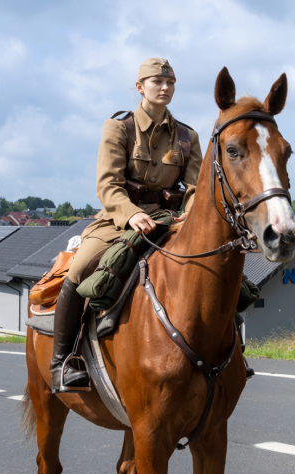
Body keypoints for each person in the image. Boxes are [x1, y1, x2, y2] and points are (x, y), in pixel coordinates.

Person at [50, 58, 203, 392]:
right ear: (140, 87)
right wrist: (131, 213)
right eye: (156, 82)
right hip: (121, 220)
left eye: (170, 83)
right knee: (80, 269)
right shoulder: (119, 127)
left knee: (215, 269)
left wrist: (190, 216)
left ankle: (230, 355)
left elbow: (194, 189)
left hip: (171, 221)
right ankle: (61, 362)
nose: (165, 88)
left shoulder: (188, 137)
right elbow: (107, 185)